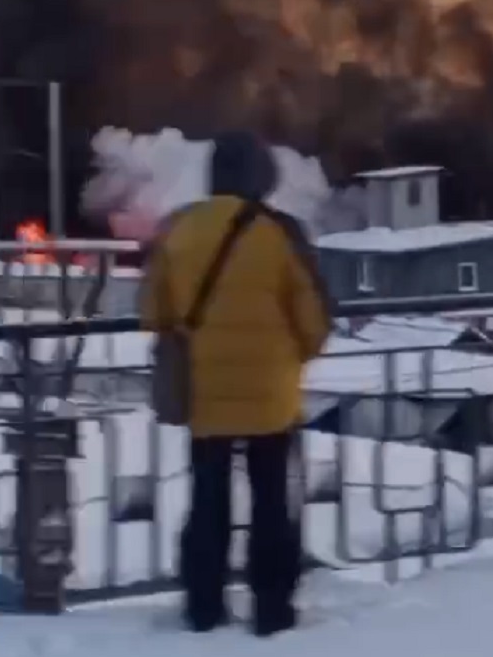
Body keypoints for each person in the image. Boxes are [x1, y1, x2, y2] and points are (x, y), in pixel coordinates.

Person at [139, 131, 334, 636]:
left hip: (205, 394)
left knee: (209, 498)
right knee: (271, 499)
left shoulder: (178, 229)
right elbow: (313, 319)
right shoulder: (281, 231)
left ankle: (204, 605)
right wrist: (292, 355)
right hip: (272, 393)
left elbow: (153, 312)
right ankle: (272, 608)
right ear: (262, 178)